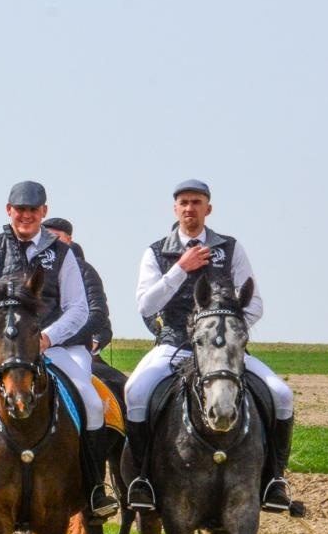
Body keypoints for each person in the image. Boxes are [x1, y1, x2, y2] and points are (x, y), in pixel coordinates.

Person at [0, 182, 119, 521]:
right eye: (20, 209)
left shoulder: (62, 253)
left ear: (43, 212)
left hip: (53, 345)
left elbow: (77, 308)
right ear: (8, 210)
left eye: (33, 209)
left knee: (89, 397)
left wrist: (48, 337)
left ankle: (94, 488)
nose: (26, 215)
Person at [122, 179, 302, 516]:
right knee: (135, 390)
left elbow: (255, 303)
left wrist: (228, 337)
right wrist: (180, 269)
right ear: (175, 208)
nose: (190, 208)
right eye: (184, 203)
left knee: (281, 394)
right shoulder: (156, 251)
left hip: (223, 351)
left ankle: (274, 480)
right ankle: (142, 479)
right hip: (175, 344)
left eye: (197, 202)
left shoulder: (231, 248)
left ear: (209, 208)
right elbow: (146, 305)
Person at [41, 216, 113, 356]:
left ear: (68, 240)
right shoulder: (31, 268)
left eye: (56, 237)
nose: (51, 241)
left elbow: (97, 313)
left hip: (71, 347)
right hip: (33, 346)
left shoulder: (85, 271)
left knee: (78, 379)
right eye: (47, 236)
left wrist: (58, 337)